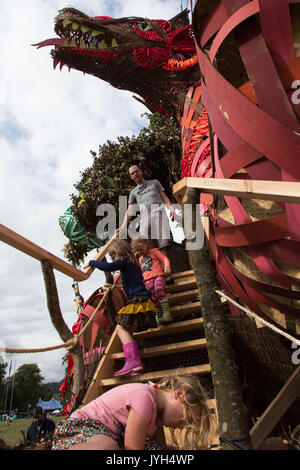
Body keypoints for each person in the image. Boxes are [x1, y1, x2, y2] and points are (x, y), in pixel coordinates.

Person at [52, 374, 214, 450]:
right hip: (78, 431)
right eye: (186, 419)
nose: (181, 427)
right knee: (107, 447)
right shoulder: (145, 397)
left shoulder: (156, 419)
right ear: (179, 394)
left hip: (105, 437)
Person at [83, 239, 157, 377]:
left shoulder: (125, 260)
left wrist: (92, 262)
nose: (113, 258)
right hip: (142, 300)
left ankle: (133, 362)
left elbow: (108, 267)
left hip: (137, 301)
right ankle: (135, 367)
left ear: (118, 252)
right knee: (127, 330)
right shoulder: (133, 261)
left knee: (120, 328)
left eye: (113, 255)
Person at [116, 165, 175, 259]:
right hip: (144, 219)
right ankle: (155, 270)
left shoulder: (154, 183)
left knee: (163, 242)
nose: (135, 174)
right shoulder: (133, 192)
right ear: (131, 177)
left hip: (159, 214)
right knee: (145, 245)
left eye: (136, 171)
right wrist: (123, 226)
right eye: (132, 173)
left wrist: (171, 208)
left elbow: (164, 197)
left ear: (141, 172)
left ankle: (165, 269)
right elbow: (130, 209)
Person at [131, 237, 173, 325]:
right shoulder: (140, 259)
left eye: (140, 249)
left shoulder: (154, 252)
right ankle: (158, 315)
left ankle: (166, 313)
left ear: (146, 245)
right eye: (137, 251)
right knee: (152, 297)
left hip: (158, 276)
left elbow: (164, 259)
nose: (139, 252)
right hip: (147, 280)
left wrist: (167, 267)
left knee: (158, 289)